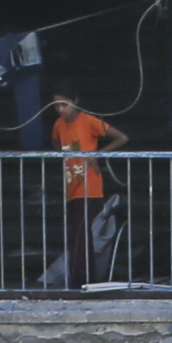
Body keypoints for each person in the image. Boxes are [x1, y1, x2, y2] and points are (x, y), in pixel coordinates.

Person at [41, 87, 126, 287]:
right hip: (71, 185)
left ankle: (81, 281)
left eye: (64, 104)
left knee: (81, 235)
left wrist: (97, 154)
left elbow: (121, 137)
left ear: (75, 101)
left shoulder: (88, 121)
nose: (60, 109)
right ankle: (84, 279)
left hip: (90, 185)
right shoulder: (59, 125)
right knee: (77, 235)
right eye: (56, 106)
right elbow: (55, 141)